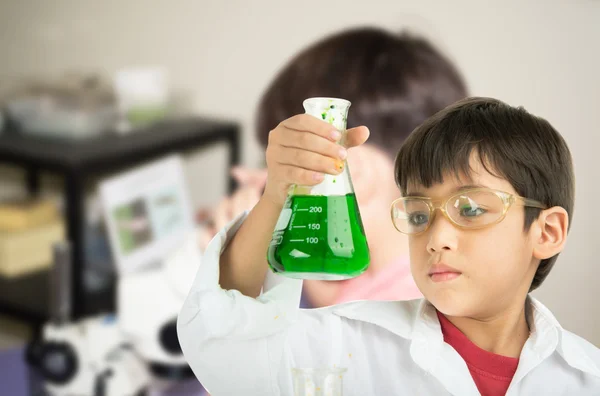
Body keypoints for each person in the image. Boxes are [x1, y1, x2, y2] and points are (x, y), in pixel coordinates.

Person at [178, 97, 600, 395]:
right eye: (419, 215)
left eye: (470, 210)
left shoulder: (587, 378)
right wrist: (277, 194)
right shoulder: (345, 346)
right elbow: (225, 342)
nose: (436, 239)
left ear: (546, 232)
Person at [200, 26, 468, 307]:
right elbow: (332, 287)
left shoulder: (399, 312)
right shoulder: (387, 273)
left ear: (348, 169)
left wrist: (237, 263)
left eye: (292, 163)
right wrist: (263, 222)